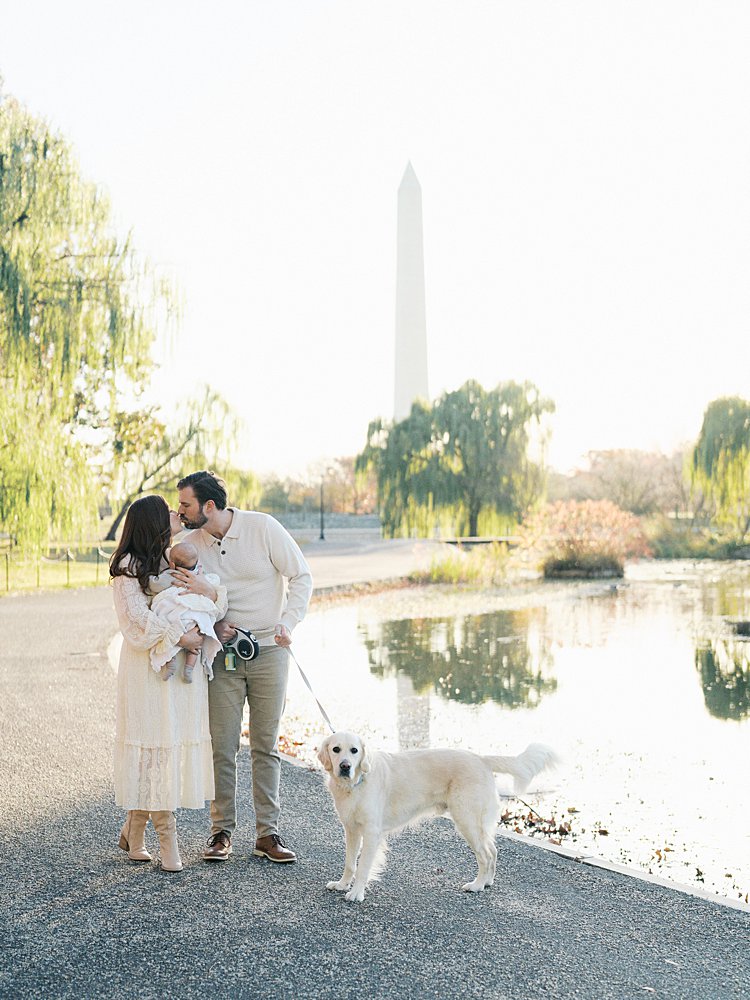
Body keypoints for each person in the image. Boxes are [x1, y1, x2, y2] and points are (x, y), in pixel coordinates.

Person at [173, 470, 313, 864]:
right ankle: (221, 832)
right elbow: (181, 599)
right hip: (222, 654)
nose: (179, 511)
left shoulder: (263, 528)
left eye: (185, 505)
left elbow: (301, 575)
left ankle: (268, 834)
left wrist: (289, 621)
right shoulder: (189, 545)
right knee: (223, 745)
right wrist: (212, 623)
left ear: (210, 506)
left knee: (267, 746)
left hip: (270, 649)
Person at [110, 494, 228, 871]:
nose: (178, 515)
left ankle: (135, 828)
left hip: (182, 677)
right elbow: (135, 621)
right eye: (170, 513)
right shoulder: (129, 566)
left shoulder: (178, 556)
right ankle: (165, 836)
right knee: (151, 748)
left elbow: (216, 598)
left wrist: (207, 598)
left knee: (167, 748)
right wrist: (182, 637)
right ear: (154, 522)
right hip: (148, 668)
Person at [147, 540, 222, 683]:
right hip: (196, 615)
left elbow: (155, 585)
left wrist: (148, 577)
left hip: (178, 613)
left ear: (172, 564)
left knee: (169, 630)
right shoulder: (199, 575)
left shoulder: (171, 574)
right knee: (196, 641)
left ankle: (170, 662)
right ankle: (189, 667)